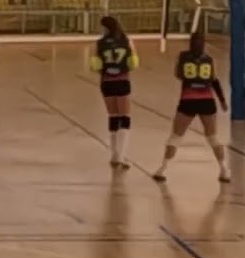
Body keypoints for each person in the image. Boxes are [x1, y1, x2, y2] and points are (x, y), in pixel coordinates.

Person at [152, 32, 230, 183]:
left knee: (176, 136)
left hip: (188, 100)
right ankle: (224, 170)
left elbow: (178, 74)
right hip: (207, 100)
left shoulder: (183, 57)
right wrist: (222, 100)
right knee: (212, 137)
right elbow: (214, 80)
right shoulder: (209, 59)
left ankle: (163, 169)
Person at [91, 16, 137, 169]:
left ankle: (114, 154)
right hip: (122, 81)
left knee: (113, 117)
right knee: (125, 117)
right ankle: (122, 156)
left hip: (107, 83)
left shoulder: (98, 44)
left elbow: (95, 65)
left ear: (106, 28)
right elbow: (133, 63)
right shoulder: (127, 41)